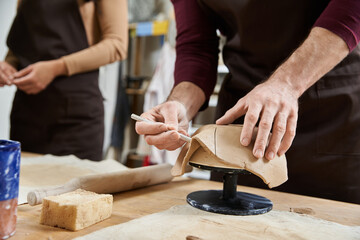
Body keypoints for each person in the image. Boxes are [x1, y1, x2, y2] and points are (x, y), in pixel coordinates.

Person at [135, 0, 360, 204]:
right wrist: (180, 104)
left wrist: (287, 83)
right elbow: (197, 46)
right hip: (240, 122)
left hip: (332, 112)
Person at [0, 0, 128, 161]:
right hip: (26, 115)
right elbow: (20, 43)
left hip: (76, 118)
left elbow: (117, 45)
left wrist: (57, 67)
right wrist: (9, 64)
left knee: (77, 185)